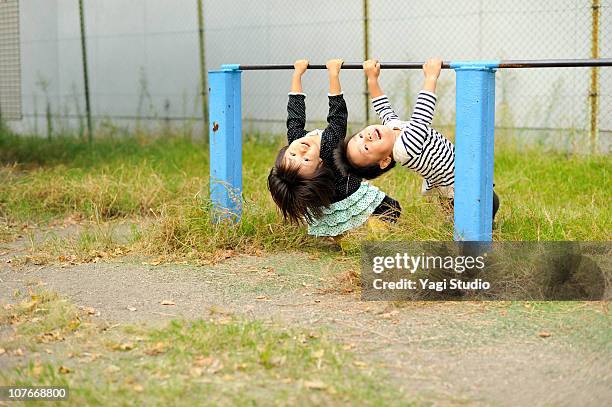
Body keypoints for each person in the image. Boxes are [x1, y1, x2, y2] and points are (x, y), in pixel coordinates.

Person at [334, 58, 499, 221]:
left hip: (455, 178)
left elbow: (382, 106)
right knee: (487, 204)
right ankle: (470, 233)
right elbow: (421, 117)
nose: (367, 138)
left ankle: (458, 222)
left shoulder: (392, 128)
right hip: (457, 185)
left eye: (360, 136)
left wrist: (372, 78)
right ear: (384, 161)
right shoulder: (404, 149)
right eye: (366, 148)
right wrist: (431, 77)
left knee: (478, 210)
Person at [267, 59, 401, 237]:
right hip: (347, 191)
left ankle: (343, 234)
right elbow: (337, 114)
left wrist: (297, 74)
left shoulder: (295, 138)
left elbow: (295, 112)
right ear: (320, 162)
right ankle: (370, 232)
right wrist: (334, 74)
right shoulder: (329, 143)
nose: (301, 151)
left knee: (342, 222)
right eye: (306, 159)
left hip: (329, 193)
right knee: (392, 209)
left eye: (293, 153)